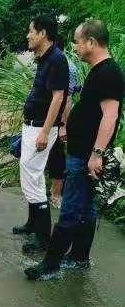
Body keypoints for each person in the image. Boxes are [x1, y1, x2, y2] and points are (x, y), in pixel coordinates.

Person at [25, 19, 124, 280]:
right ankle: (79, 257)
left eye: (78, 41)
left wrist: (97, 154)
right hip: (82, 151)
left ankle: (50, 265)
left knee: (70, 207)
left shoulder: (109, 73)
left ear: (92, 42)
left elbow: (110, 116)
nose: (75, 46)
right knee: (86, 207)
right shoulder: (99, 70)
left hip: (86, 155)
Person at [13, 15, 69, 254]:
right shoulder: (44, 58)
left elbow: (59, 97)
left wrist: (46, 132)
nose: (28, 35)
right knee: (28, 174)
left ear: (43, 33)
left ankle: (43, 238)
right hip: (32, 126)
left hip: (41, 129)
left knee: (33, 177)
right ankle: (33, 224)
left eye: (31, 31)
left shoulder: (57, 59)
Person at [47, 37, 80, 209]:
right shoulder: (50, 64)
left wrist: (63, 126)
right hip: (49, 120)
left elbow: (67, 99)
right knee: (54, 155)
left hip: (60, 121)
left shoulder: (68, 67)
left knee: (58, 156)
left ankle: (56, 194)